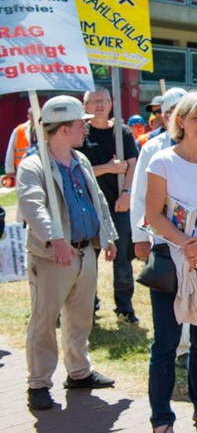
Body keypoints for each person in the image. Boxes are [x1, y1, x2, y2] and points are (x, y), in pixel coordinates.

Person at [17, 95, 117, 411]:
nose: (85, 130)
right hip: (53, 257)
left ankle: (78, 372)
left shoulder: (80, 160)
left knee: (80, 317)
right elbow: (33, 206)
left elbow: (97, 200)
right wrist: (56, 239)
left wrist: (109, 236)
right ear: (63, 129)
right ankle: (38, 383)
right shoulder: (33, 166)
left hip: (85, 253)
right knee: (45, 320)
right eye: (80, 124)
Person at [144, 91, 197, 432]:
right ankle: (161, 417)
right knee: (166, 341)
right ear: (180, 121)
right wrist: (185, 244)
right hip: (170, 258)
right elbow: (154, 215)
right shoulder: (161, 161)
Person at [130, 87, 197, 366]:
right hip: (171, 246)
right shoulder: (155, 149)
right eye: (192, 116)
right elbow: (141, 196)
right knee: (174, 307)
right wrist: (139, 236)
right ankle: (180, 350)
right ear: (175, 117)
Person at [77, 87, 140, 323]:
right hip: (88, 207)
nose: (99, 105)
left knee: (122, 258)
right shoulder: (81, 134)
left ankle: (124, 308)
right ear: (85, 106)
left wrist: (126, 194)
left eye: (103, 101)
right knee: (88, 259)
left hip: (118, 206)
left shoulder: (122, 132)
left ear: (111, 104)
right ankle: (88, 308)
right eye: (93, 101)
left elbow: (131, 165)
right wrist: (108, 167)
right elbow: (79, 172)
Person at [4, 108, 34, 187]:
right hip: (22, 166)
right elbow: (10, 150)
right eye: (32, 115)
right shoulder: (19, 130)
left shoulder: (44, 129)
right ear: (28, 116)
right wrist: (9, 169)